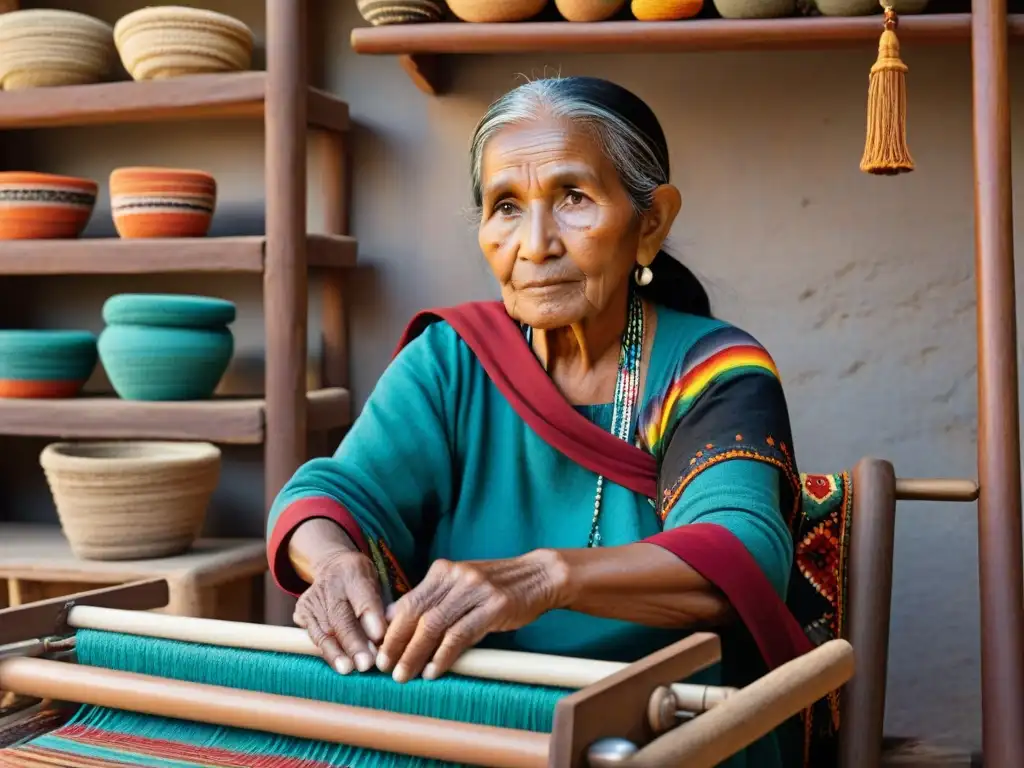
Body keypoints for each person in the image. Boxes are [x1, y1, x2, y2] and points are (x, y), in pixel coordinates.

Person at [266, 76, 818, 767]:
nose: (534, 243)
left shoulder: (708, 369)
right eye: (505, 207)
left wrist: (543, 578)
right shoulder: (451, 361)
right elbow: (328, 496)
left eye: (574, 199)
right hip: (471, 726)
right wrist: (335, 561)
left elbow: (741, 554)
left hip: (664, 729)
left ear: (651, 222)